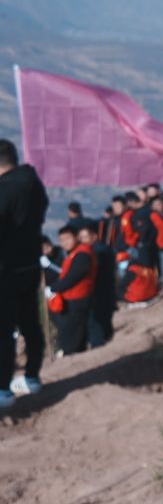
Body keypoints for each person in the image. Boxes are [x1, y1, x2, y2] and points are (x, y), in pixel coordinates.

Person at [0, 140, 52, 406]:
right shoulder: (34, 184)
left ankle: (2, 389)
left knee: (4, 329)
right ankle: (32, 377)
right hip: (29, 264)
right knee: (30, 324)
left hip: (6, 268)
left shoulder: (6, 189)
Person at [45, 224, 97, 357]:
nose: (65, 243)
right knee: (71, 332)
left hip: (78, 299)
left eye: (68, 239)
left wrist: (53, 288)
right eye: (61, 240)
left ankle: (71, 355)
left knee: (72, 335)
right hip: (72, 299)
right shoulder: (74, 253)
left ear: (76, 237)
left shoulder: (82, 254)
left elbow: (73, 278)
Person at [115, 190, 160, 306]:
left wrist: (138, 242)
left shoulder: (139, 215)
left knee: (124, 279)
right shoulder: (135, 214)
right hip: (138, 249)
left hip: (138, 248)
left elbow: (143, 231)